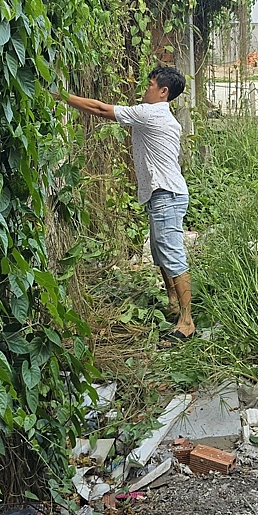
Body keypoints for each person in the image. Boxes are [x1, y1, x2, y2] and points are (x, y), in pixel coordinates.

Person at [59, 66, 194, 341]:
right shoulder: (162, 116)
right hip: (164, 194)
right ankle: (172, 303)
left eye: (151, 84)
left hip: (166, 194)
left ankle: (187, 322)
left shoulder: (151, 113)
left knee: (172, 256)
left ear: (163, 92)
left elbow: (99, 110)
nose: (146, 88)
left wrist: (59, 95)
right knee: (160, 253)